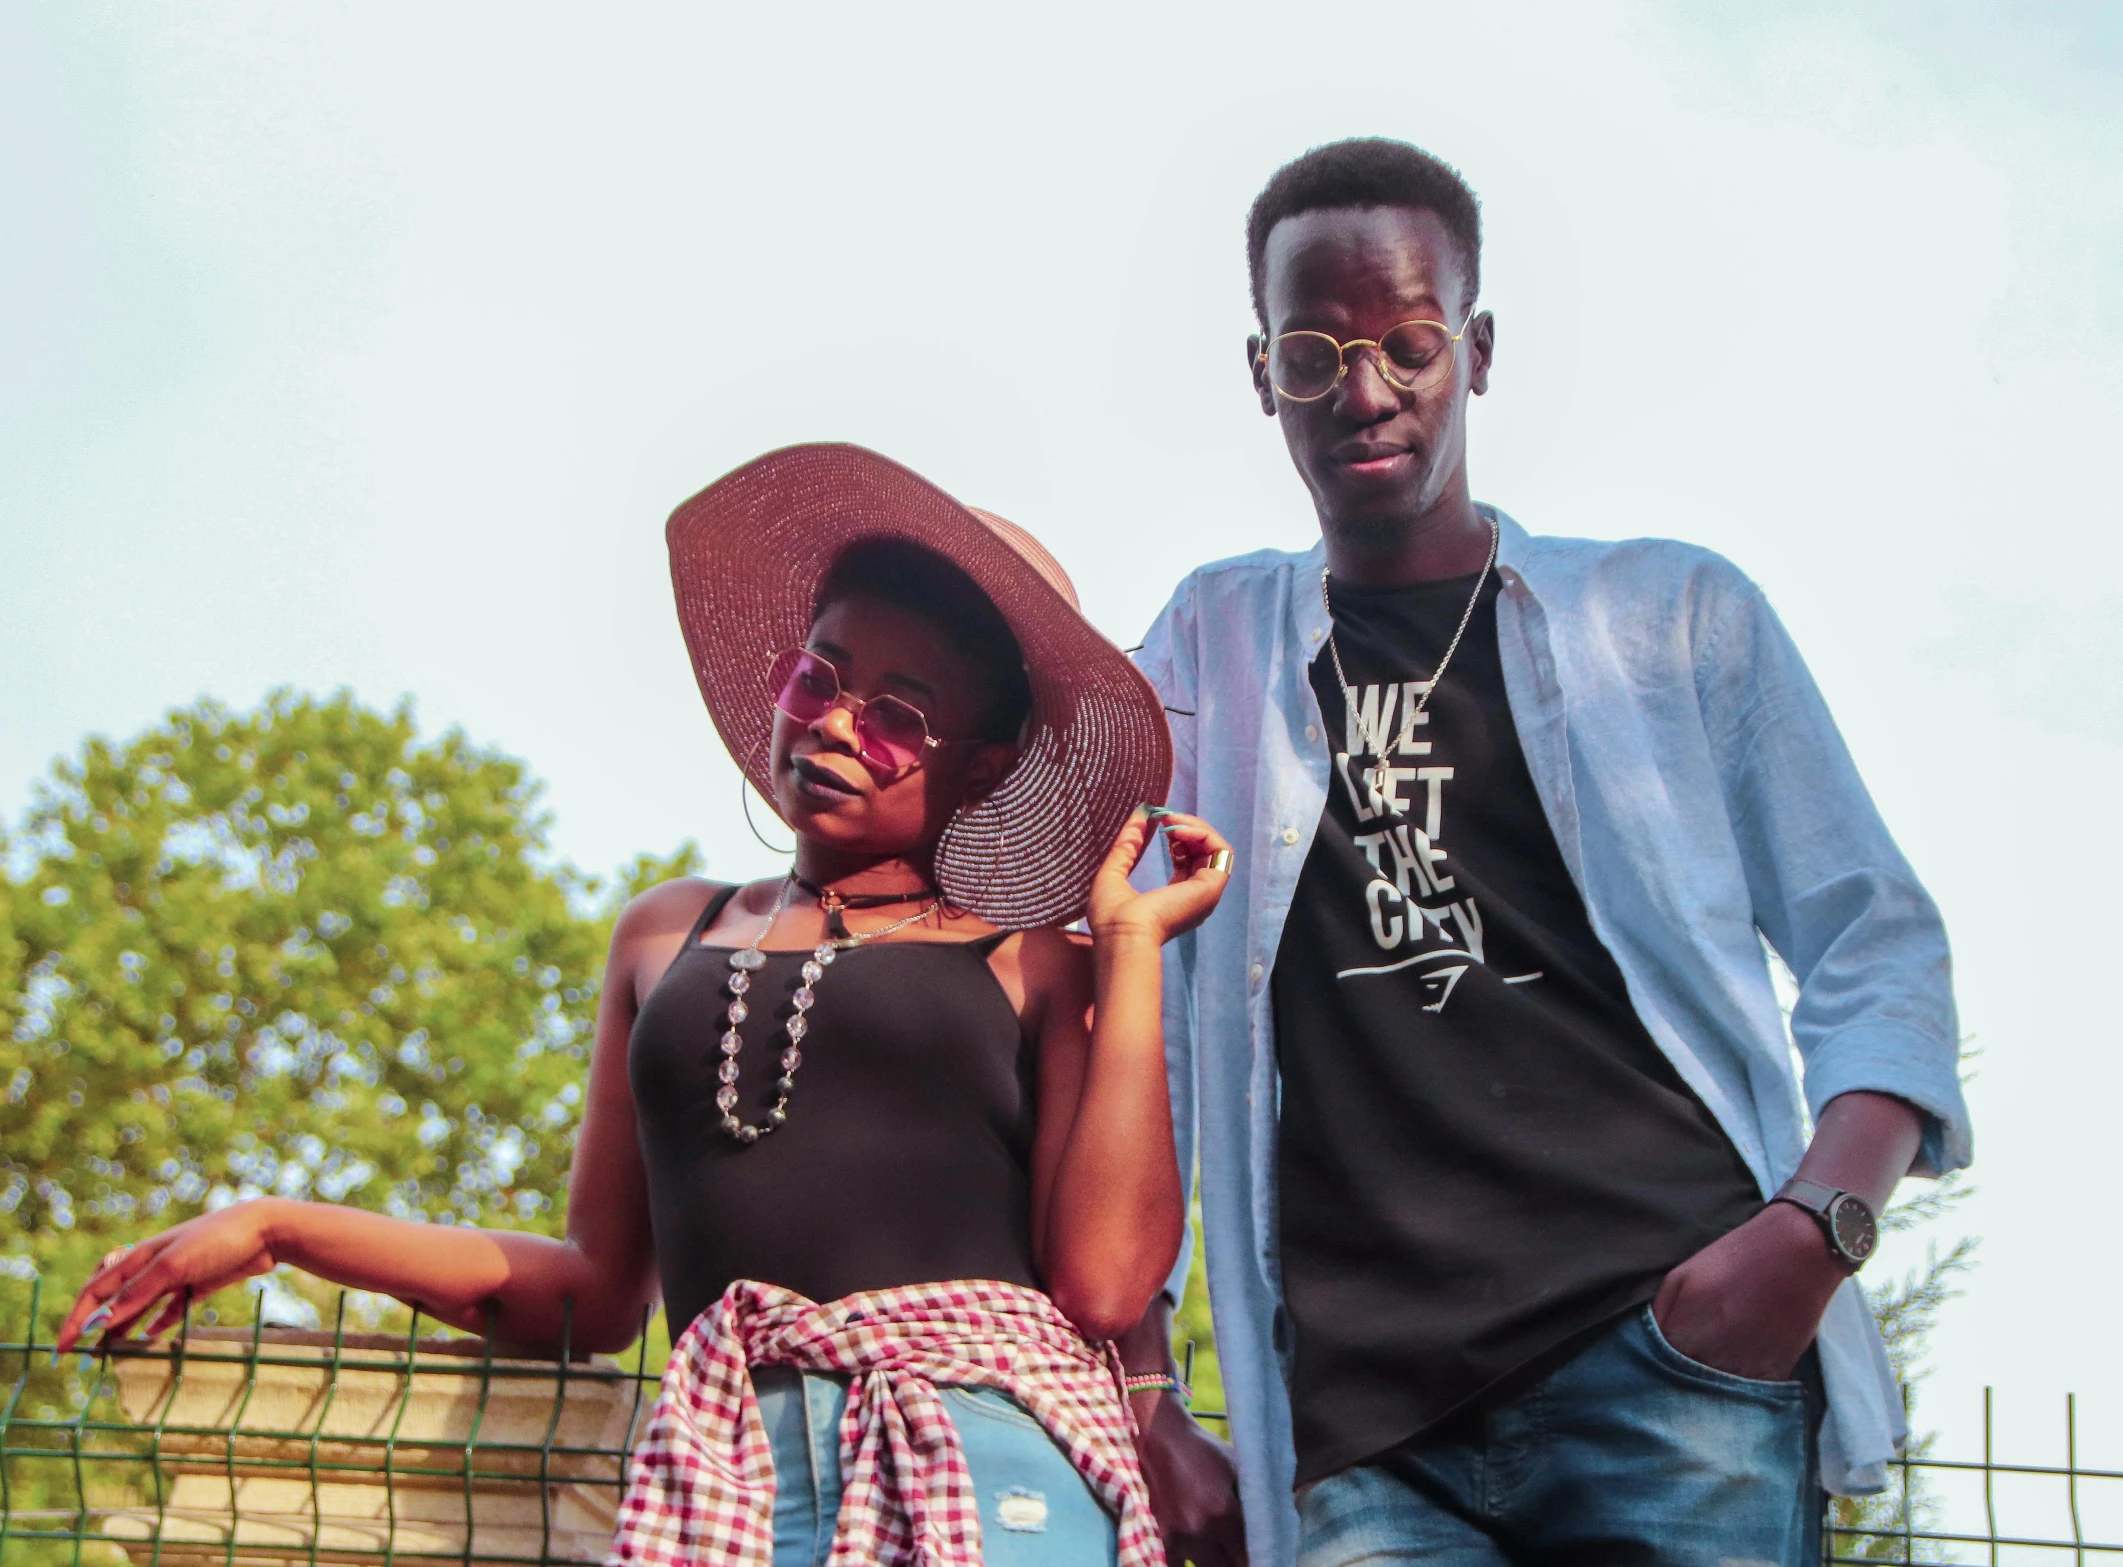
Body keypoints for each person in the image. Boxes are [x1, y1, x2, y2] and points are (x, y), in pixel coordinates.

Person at [59, 442, 1235, 1567]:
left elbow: (1101, 1283)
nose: (830, 723)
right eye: (817, 675)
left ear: (980, 765)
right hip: (724, 1477)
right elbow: (594, 1290)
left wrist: (1126, 947)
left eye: (894, 714)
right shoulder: (665, 932)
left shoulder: (1035, 961)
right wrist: (281, 1228)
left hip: (983, 1459)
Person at [1119, 139, 1973, 1567]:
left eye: (1405, 342)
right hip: (1359, 1429)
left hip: (1672, 1360)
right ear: (1260, 369)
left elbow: (1869, 932)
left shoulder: (1666, 615)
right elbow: (1117, 1005)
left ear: (1478, 345)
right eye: (1315, 351)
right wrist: (1141, 1380)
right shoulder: (1212, 647)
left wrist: (1810, 1230)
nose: (1365, 391)